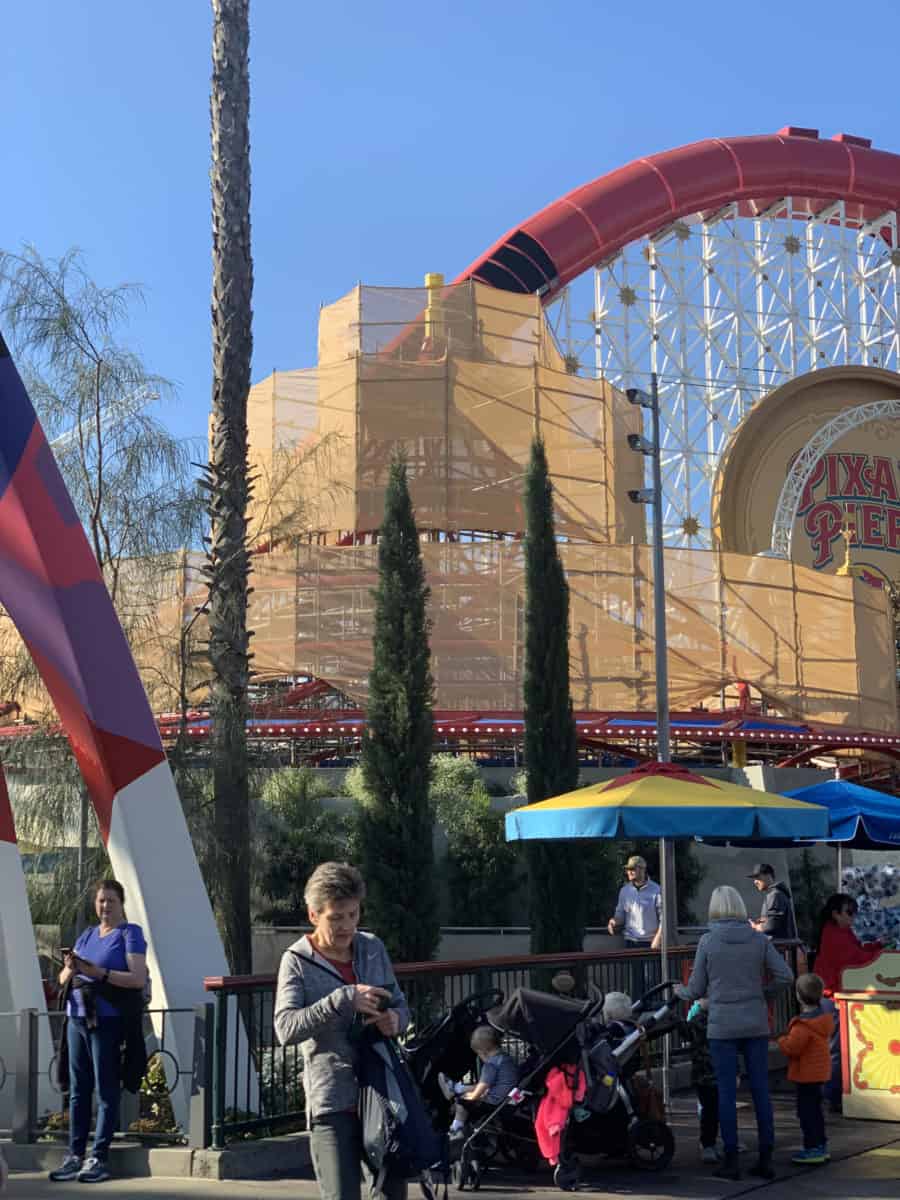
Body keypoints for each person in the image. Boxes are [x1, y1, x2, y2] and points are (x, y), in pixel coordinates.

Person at [274, 862, 410, 1200]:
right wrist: (342, 1000)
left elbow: (402, 1006)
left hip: (382, 1093)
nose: (347, 926)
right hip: (332, 1102)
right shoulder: (296, 960)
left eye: (353, 914)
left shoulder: (372, 947)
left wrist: (396, 1019)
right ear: (313, 915)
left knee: (393, 1194)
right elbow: (285, 1028)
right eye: (336, 917)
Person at [677, 884, 794, 1182]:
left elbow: (696, 989)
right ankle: (765, 1158)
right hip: (755, 1022)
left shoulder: (708, 941)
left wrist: (679, 991)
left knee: (726, 1094)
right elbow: (786, 976)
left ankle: (731, 1160)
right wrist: (763, 993)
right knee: (760, 1092)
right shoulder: (758, 940)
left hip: (722, 1026)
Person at [49, 879, 148, 1185]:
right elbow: (62, 978)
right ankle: (74, 1155)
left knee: (106, 1089)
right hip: (76, 1018)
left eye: (111, 901)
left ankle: (98, 1157)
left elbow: (137, 978)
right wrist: (72, 965)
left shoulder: (130, 933)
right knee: (78, 1091)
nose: (105, 906)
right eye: (101, 901)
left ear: (121, 904)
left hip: (107, 1020)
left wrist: (99, 973)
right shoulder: (87, 935)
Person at [813, 893, 882, 1112]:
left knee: (839, 1048)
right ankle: (833, 1096)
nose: (853, 917)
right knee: (836, 1050)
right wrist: (879, 953)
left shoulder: (841, 932)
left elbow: (858, 952)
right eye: (849, 913)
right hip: (832, 997)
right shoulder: (834, 935)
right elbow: (856, 959)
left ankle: (836, 1094)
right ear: (836, 914)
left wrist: (876, 947)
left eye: (854, 913)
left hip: (835, 995)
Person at [777, 973, 832, 1165]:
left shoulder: (802, 1026)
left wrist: (781, 1039)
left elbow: (792, 1048)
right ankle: (821, 1145)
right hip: (819, 1073)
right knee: (816, 1112)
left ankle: (812, 1148)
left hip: (806, 1075)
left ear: (799, 996)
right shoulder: (823, 1020)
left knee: (806, 1114)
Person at [438, 1025, 518, 1143]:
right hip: (508, 1098)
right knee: (475, 1089)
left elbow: (483, 1086)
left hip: (495, 1102)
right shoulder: (506, 1059)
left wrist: (472, 1097)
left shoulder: (490, 1064)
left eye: (478, 1054)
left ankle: (455, 1130)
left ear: (483, 1052)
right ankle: (456, 1088)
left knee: (462, 1103)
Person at [607, 855, 662, 999]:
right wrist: (613, 922)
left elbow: (664, 919)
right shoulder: (625, 891)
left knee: (651, 984)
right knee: (635, 984)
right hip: (631, 942)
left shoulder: (657, 890)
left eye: (632, 869)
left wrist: (657, 940)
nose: (629, 872)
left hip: (650, 943)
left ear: (642, 870)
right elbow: (620, 914)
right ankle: (636, 1011)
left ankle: (652, 1011)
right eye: (627, 869)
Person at [685, 998, 719, 1164]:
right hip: (708, 1074)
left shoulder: (697, 1020)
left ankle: (709, 1144)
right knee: (713, 1110)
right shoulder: (712, 1018)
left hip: (703, 1074)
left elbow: (685, 1032)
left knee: (710, 1111)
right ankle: (709, 1143)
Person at [748, 863, 796, 940]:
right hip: (780, 945)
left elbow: (771, 926)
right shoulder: (777, 894)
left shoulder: (775, 895)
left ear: (768, 876)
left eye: (757, 877)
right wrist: (762, 921)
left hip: (778, 946)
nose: (755, 882)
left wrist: (755, 927)